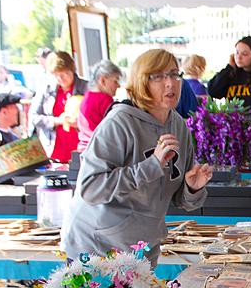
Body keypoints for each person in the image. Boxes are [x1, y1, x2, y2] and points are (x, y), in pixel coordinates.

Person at [61, 49, 213, 266]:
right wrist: (152, 165)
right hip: (97, 248)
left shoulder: (178, 125)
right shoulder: (119, 123)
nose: (170, 83)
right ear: (142, 82)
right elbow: (90, 188)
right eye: (158, 76)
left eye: (174, 74)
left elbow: (180, 199)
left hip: (142, 248)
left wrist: (192, 188)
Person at [207, 36, 251, 138]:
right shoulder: (231, 75)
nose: (239, 57)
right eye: (237, 52)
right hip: (234, 134)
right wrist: (229, 67)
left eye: (244, 54)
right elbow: (212, 91)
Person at [29, 50, 87, 163]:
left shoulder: (87, 88)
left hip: (81, 150)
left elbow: (98, 118)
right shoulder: (45, 89)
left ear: (72, 70)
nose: (61, 79)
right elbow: (33, 117)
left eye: (65, 73)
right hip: (53, 150)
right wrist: (57, 121)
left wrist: (80, 123)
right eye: (56, 75)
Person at [77, 60, 122, 151]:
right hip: (99, 149)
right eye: (115, 81)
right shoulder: (104, 100)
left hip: (84, 148)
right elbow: (114, 130)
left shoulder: (87, 96)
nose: (118, 86)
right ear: (102, 80)